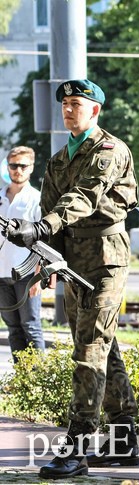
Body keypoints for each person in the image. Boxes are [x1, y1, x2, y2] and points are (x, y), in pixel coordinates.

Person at [4, 80, 139, 479]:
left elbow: (83, 198)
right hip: (72, 261)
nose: (68, 109)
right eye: (64, 103)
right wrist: (41, 256)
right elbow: (51, 209)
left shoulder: (109, 151)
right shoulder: (59, 158)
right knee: (102, 344)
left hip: (105, 259)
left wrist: (41, 227)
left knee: (89, 351)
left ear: (95, 110)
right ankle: (123, 437)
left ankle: (77, 445)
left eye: (77, 104)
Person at [0, 146, 45, 362]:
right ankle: (22, 380)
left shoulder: (36, 199)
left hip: (26, 274)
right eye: (13, 165)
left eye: (23, 166)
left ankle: (40, 382)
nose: (18, 170)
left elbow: (43, 240)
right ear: (7, 167)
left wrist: (38, 277)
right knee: (13, 328)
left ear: (31, 168)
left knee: (31, 326)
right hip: (1, 275)